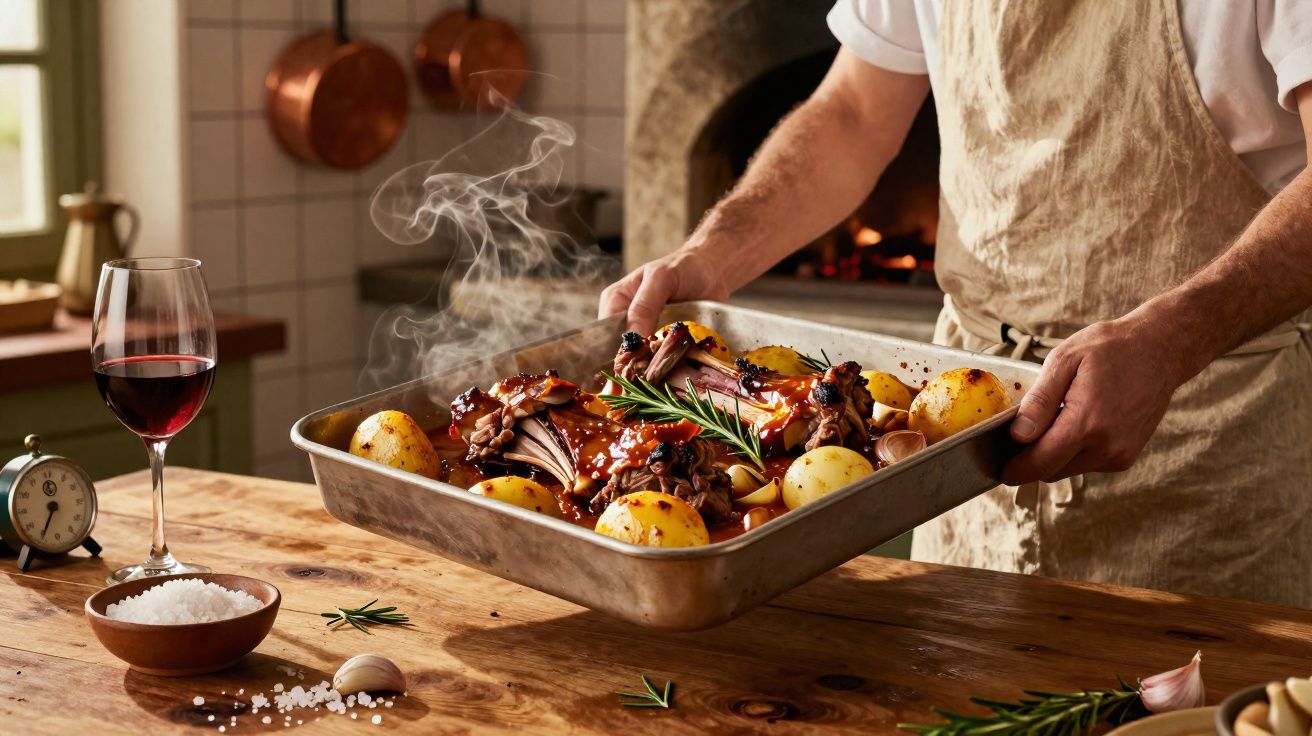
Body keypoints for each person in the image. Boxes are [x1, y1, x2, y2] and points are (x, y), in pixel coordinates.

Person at [598, 1, 1312, 606]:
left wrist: (1175, 338)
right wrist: (713, 253)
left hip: (1211, 439)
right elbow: (851, 115)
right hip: (967, 439)